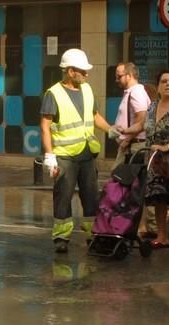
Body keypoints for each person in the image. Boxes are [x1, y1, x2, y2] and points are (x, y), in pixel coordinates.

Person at [40, 48, 119, 254]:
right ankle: (61, 236)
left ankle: (93, 233)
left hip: (86, 154)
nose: (86, 74)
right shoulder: (53, 94)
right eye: (82, 71)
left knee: (91, 197)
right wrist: (49, 156)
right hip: (64, 155)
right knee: (63, 196)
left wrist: (110, 129)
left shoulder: (87, 90)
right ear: (69, 71)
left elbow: (94, 116)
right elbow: (45, 126)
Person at [121, 69, 169, 253]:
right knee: (159, 197)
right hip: (155, 160)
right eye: (164, 81)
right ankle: (162, 236)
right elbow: (142, 125)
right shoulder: (153, 106)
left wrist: (167, 147)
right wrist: (125, 130)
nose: (168, 84)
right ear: (159, 86)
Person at [112, 62, 151, 169]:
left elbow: (142, 118)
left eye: (119, 76)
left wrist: (127, 140)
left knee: (119, 180)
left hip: (134, 146)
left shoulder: (136, 92)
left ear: (129, 76)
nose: (116, 80)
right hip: (130, 146)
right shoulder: (131, 92)